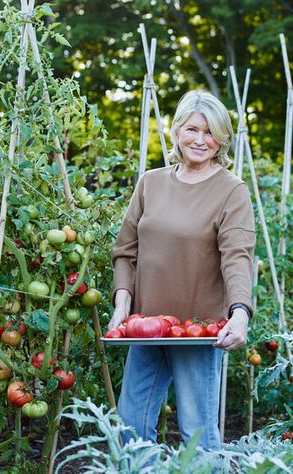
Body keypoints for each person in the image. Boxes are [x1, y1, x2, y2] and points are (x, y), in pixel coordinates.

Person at [108, 90, 256, 451]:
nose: (200, 140)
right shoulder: (151, 183)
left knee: (197, 433)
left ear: (221, 139)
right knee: (130, 427)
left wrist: (240, 313)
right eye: (192, 129)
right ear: (176, 132)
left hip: (198, 330)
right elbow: (126, 251)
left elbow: (238, 256)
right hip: (145, 328)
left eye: (210, 132)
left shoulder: (231, 191)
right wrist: (122, 307)